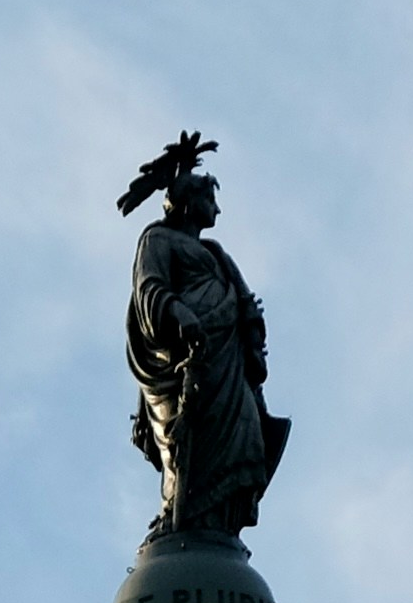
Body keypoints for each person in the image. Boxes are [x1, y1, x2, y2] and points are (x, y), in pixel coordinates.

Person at [118, 134, 289, 545]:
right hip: (185, 363)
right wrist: (182, 316)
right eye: (210, 199)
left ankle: (221, 528)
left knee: (244, 438)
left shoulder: (216, 253)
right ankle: (179, 522)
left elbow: (246, 302)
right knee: (188, 446)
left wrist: (252, 337)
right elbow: (150, 288)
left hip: (227, 365)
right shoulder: (157, 240)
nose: (217, 209)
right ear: (188, 201)